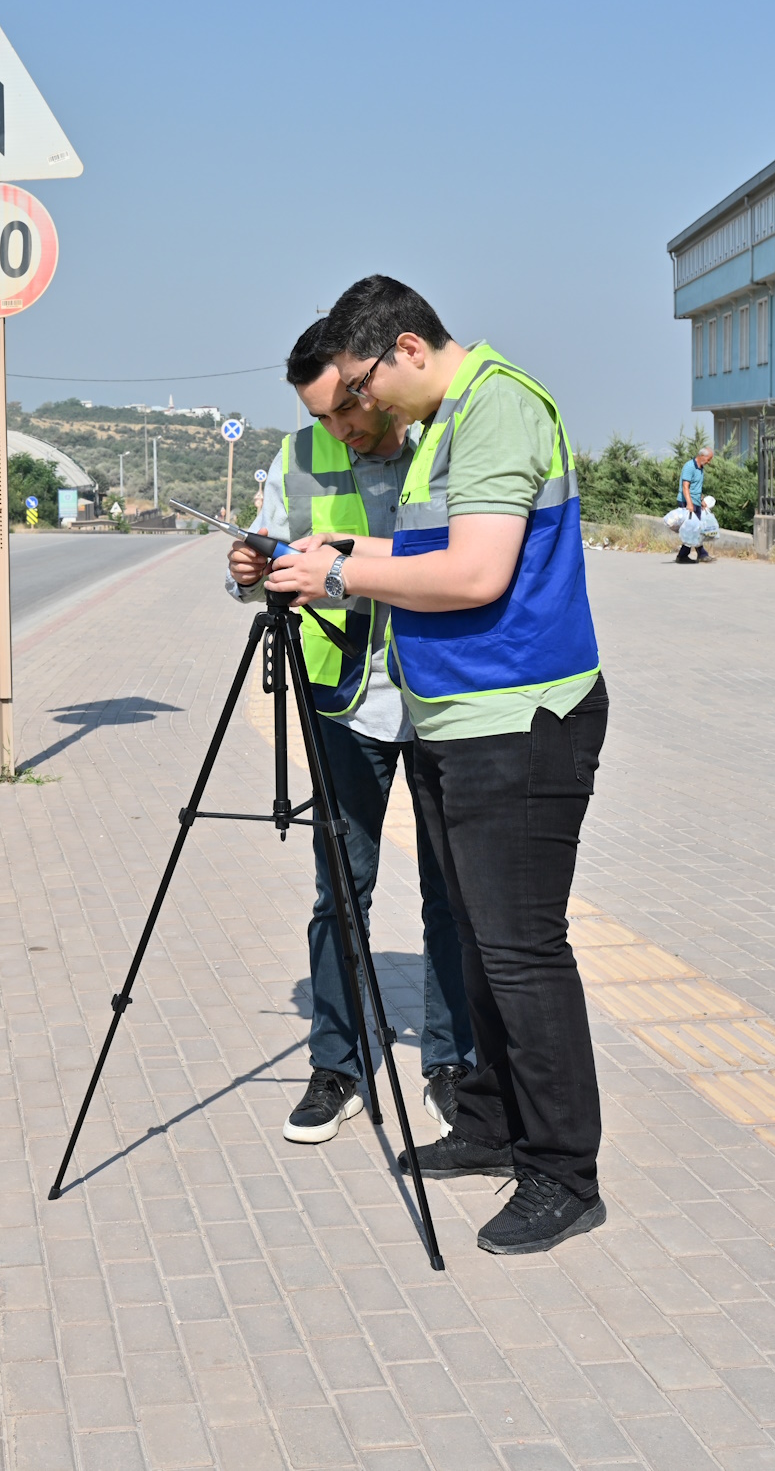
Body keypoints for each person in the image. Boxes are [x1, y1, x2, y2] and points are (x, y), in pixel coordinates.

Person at [267, 275, 610, 1256]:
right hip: (456, 720)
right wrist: (348, 543)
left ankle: (563, 1172)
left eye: (365, 388)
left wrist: (337, 572)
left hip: (519, 718)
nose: (363, 410)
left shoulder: (497, 405)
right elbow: (429, 550)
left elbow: (474, 572)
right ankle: (493, 1125)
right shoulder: (442, 427)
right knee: (472, 935)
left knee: (521, 949)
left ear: (405, 348)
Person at [229, 320, 474, 1146]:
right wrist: (250, 569)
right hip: (344, 701)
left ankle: (451, 1062)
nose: (340, 429)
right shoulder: (297, 456)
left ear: (367, 378)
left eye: (347, 409)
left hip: (443, 698)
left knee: (454, 893)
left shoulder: (445, 441)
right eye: (323, 417)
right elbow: (272, 547)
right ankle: (337, 1059)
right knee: (341, 889)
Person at [677, 447, 715, 563]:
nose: (709, 462)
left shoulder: (700, 468)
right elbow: (685, 486)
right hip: (687, 502)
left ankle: (696, 554)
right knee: (692, 529)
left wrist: (701, 500)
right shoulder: (690, 467)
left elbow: (696, 487)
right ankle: (691, 555)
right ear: (702, 456)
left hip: (696, 502)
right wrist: (689, 503)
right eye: (708, 459)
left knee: (695, 529)